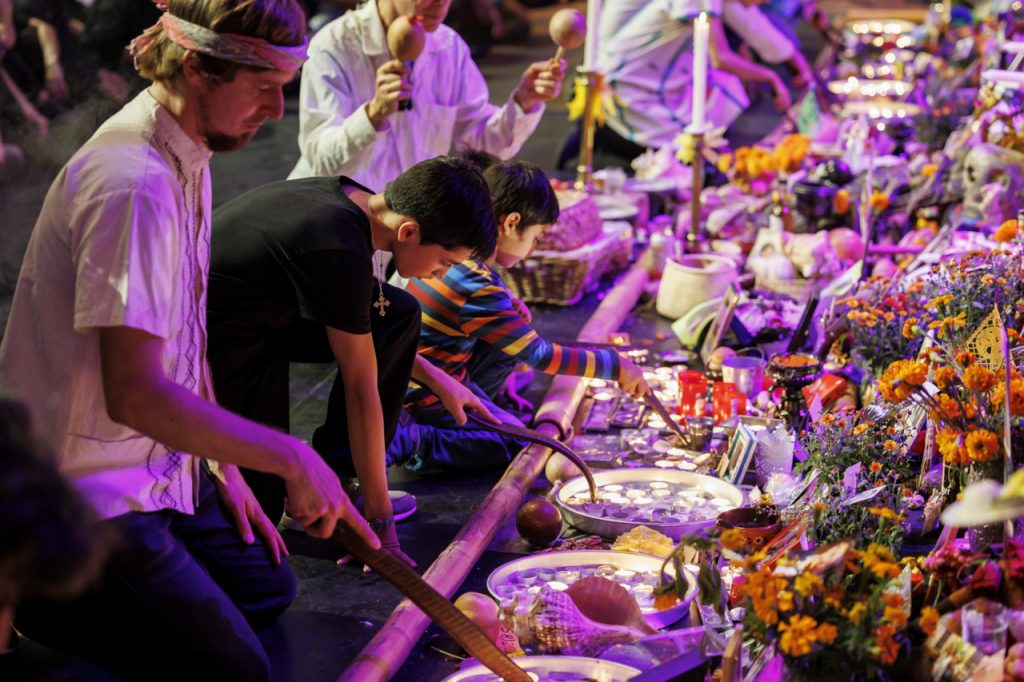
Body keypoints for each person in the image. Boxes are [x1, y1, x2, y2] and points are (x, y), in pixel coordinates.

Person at [0, 2, 377, 679]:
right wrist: (292, 458)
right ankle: (37, 589)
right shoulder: (135, 184)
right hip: (82, 496)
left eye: (286, 81)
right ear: (198, 65)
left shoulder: (186, 146)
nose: (276, 103)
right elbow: (135, 393)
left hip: (153, 466)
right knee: (237, 673)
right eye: (262, 82)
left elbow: (185, 330)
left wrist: (222, 468)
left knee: (268, 586)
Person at [207, 156, 499, 567]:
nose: (439, 274)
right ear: (409, 231)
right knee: (261, 515)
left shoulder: (358, 200)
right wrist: (381, 529)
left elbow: (369, 333)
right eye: (445, 263)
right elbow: (362, 391)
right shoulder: (338, 243)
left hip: (268, 316)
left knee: (396, 314)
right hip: (218, 340)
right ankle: (344, 498)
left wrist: (439, 380)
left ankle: (339, 480)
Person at [390, 154, 650, 471]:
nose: (535, 248)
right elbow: (540, 355)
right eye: (536, 237)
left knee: (516, 333)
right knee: (518, 446)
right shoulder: (476, 283)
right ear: (512, 223)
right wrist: (616, 366)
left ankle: (478, 411)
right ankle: (414, 439)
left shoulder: (466, 262)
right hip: (425, 394)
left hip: (429, 377)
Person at [287, 0, 566, 190]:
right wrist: (373, 114)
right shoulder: (333, 47)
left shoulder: (448, 46)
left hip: (408, 226)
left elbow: (482, 143)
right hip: (338, 223)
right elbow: (322, 162)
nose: (441, 2)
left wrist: (523, 101)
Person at [596, 0, 793, 156]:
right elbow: (721, 57)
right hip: (628, 83)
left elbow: (753, 26)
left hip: (653, 74)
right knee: (706, 117)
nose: (767, 2)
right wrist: (770, 77)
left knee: (725, 89)